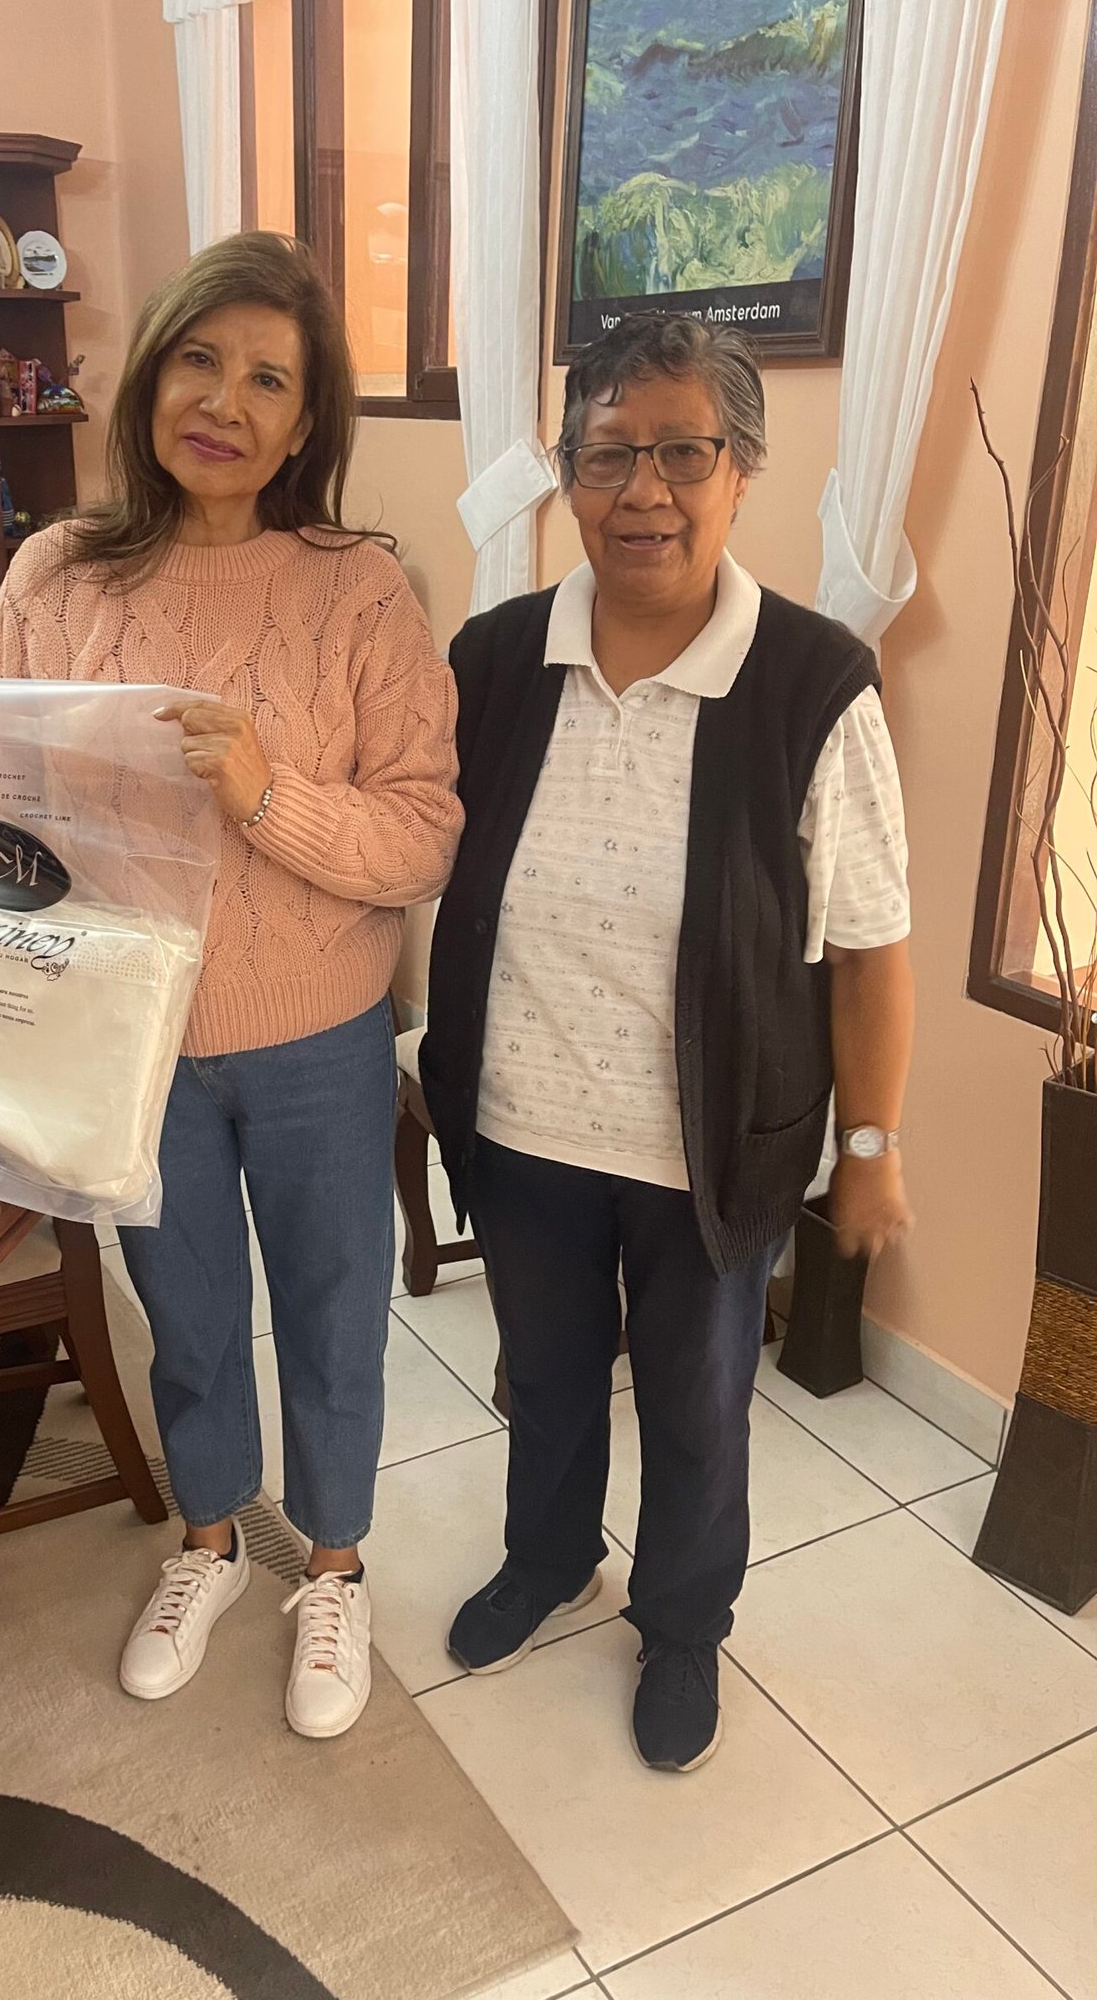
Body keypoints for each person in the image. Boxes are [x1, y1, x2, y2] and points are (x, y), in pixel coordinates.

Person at [0, 231, 462, 1740]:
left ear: (309, 419)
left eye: (270, 379)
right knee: (185, 1311)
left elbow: (422, 835)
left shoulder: (359, 591)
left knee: (334, 1311)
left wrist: (268, 798)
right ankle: (210, 1538)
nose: (226, 402)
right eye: (201, 359)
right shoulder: (56, 575)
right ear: (151, 375)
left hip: (319, 1040)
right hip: (122, 1044)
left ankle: (333, 1566)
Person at [420, 313, 913, 1772]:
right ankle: (548, 1555)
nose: (644, 489)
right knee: (548, 1375)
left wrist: (871, 1149)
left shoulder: (812, 683)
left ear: (741, 470)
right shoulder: (497, 658)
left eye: (682, 452)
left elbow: (872, 946)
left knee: (698, 1411)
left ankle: (684, 1622)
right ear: (568, 477)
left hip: (714, 1147)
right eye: (608, 454)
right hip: (523, 1123)